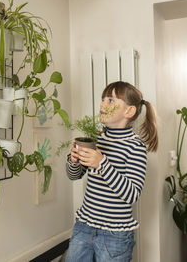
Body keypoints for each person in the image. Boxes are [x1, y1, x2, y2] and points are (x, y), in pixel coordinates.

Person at [65, 81, 158, 262]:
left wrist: (102, 164)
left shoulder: (135, 147)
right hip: (84, 226)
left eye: (111, 100)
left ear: (129, 112)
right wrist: (73, 160)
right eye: (103, 100)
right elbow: (73, 175)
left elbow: (131, 194)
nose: (102, 104)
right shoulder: (97, 141)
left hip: (115, 236)